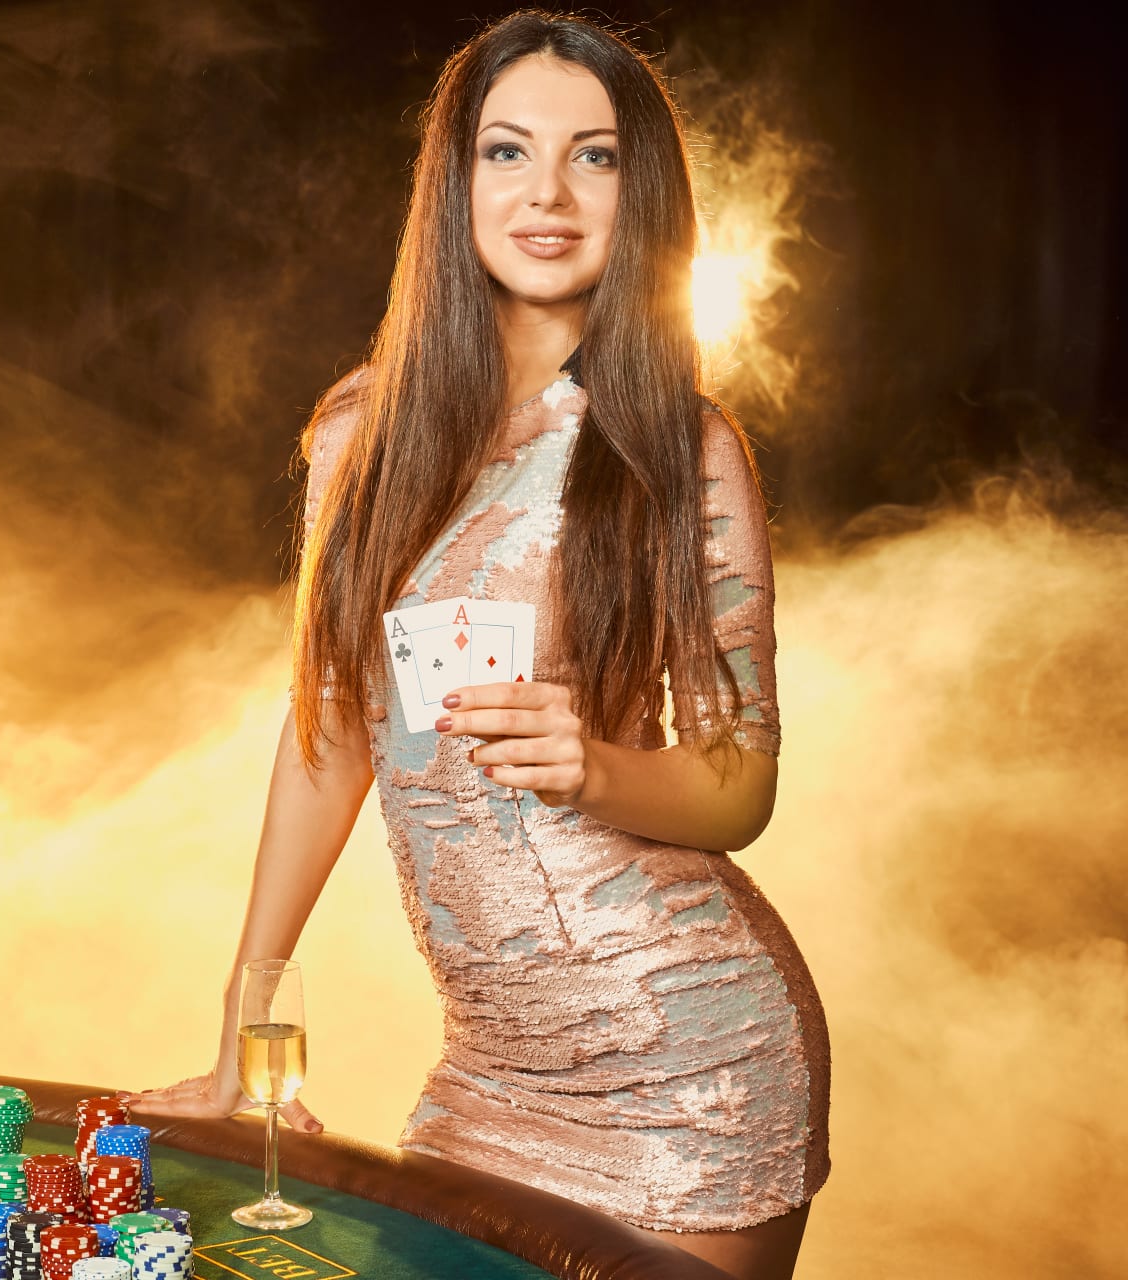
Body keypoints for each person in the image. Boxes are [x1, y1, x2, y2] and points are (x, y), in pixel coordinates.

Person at [129, 12, 829, 1280]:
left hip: (689, 1059)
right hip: (490, 1073)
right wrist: (252, 1019)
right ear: (455, 186)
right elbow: (331, 736)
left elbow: (744, 782)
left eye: (595, 158)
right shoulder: (358, 433)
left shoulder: (687, 446)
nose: (547, 193)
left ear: (644, 193)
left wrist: (596, 764)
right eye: (507, 152)